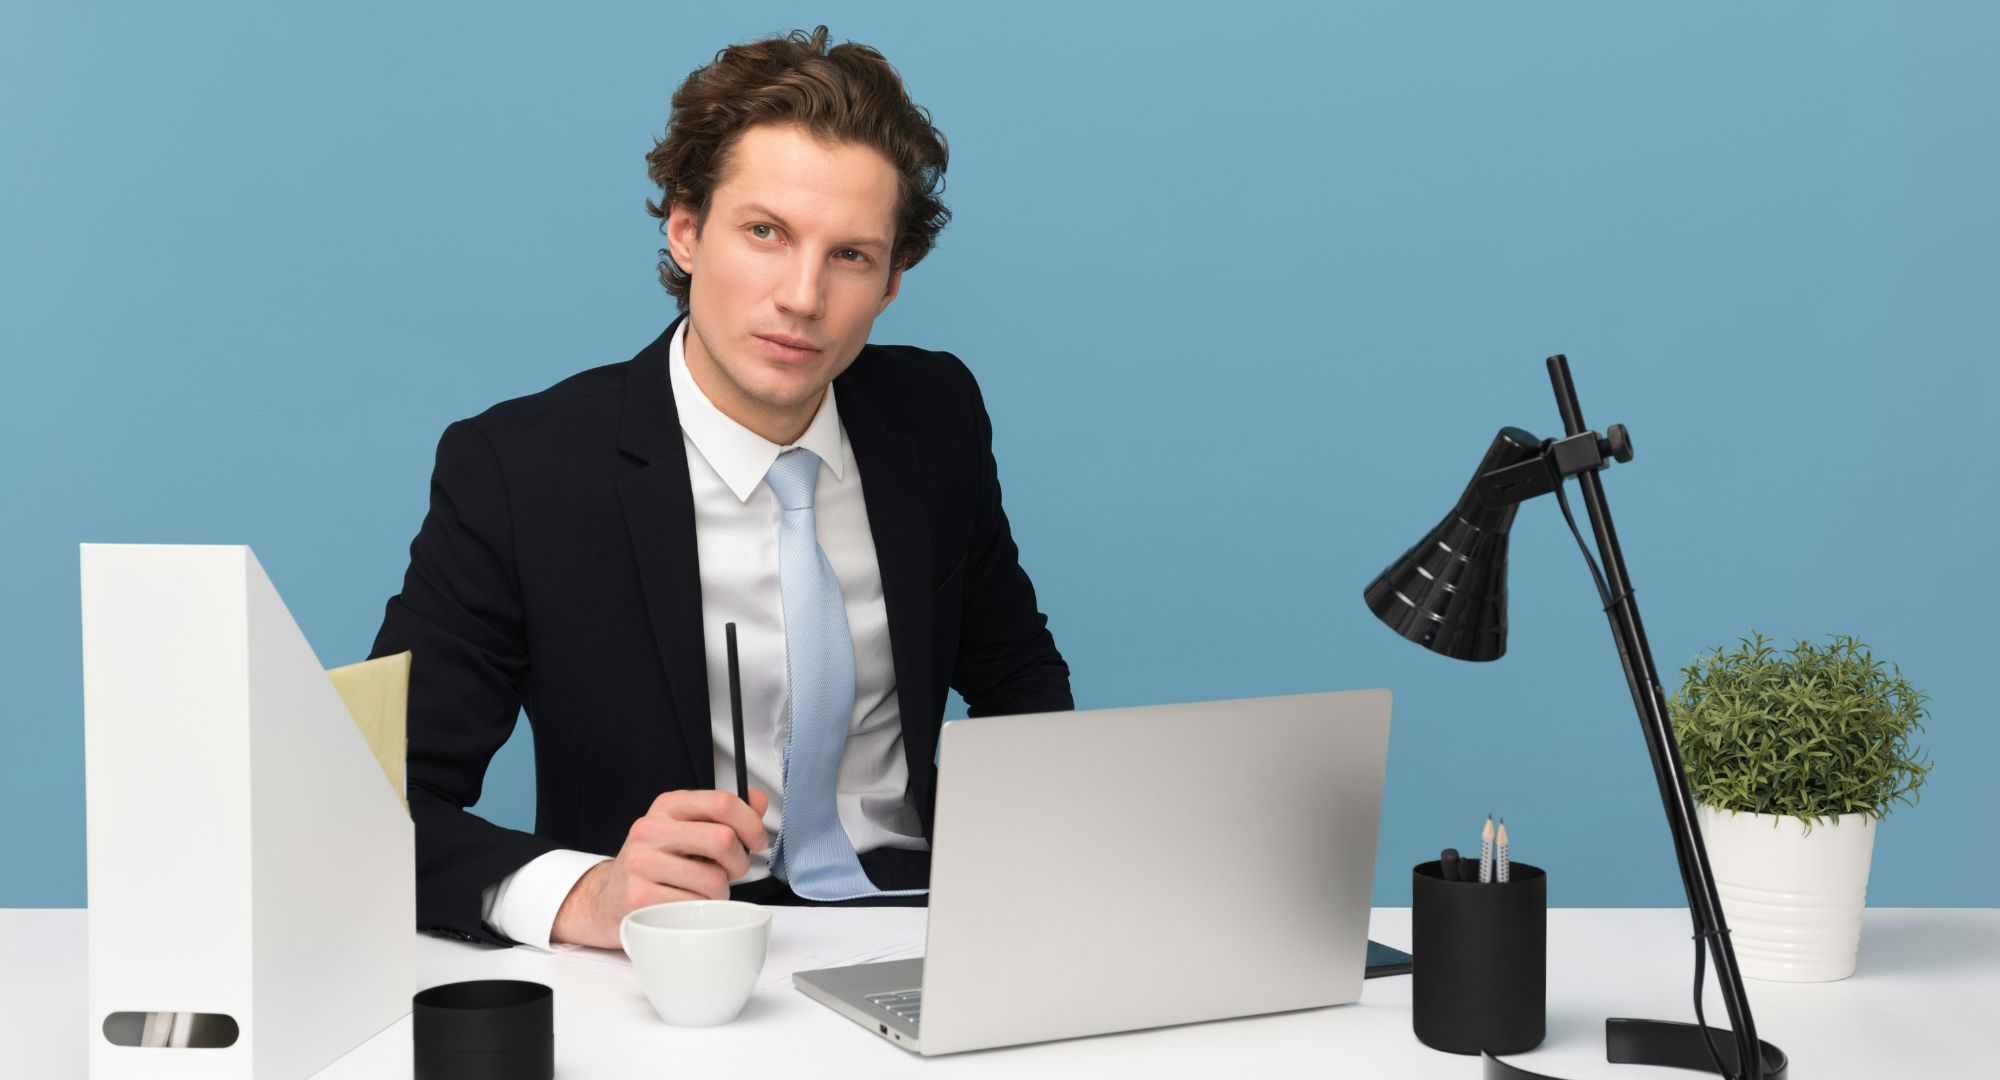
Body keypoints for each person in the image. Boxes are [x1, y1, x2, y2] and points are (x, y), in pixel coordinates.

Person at [370, 26, 1071, 950]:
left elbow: (1018, 678)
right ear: (687, 230)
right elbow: (376, 806)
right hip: (668, 956)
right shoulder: (517, 471)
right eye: (766, 233)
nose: (803, 297)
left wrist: (1046, 874)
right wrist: (587, 895)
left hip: (926, 928)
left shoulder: (934, 417)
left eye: (852, 255)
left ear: (893, 283)